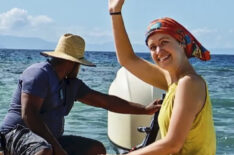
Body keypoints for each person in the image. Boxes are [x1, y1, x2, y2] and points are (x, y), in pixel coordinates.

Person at [0, 33, 161, 155]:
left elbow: (107, 102)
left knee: (96, 149)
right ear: (72, 63)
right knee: (44, 151)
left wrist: (145, 109)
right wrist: (57, 149)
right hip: (16, 135)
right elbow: (29, 115)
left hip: (50, 140)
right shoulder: (38, 74)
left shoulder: (71, 84)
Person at [108, 0, 216, 154]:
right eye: (152, 47)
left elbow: (172, 144)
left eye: (164, 42)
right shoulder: (173, 81)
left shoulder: (189, 83)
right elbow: (127, 60)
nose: (158, 51)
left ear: (181, 43)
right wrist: (115, 12)